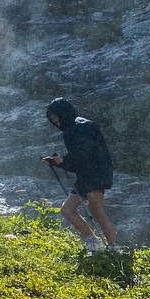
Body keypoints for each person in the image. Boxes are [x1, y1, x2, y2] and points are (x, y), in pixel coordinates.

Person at [41, 96, 118, 252]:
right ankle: (94, 242)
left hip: (95, 174)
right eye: (53, 121)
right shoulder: (74, 127)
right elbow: (80, 158)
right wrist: (60, 161)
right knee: (67, 210)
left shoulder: (80, 127)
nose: (57, 123)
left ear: (64, 113)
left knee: (97, 212)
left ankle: (113, 248)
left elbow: (83, 155)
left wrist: (62, 161)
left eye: (57, 119)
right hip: (87, 174)